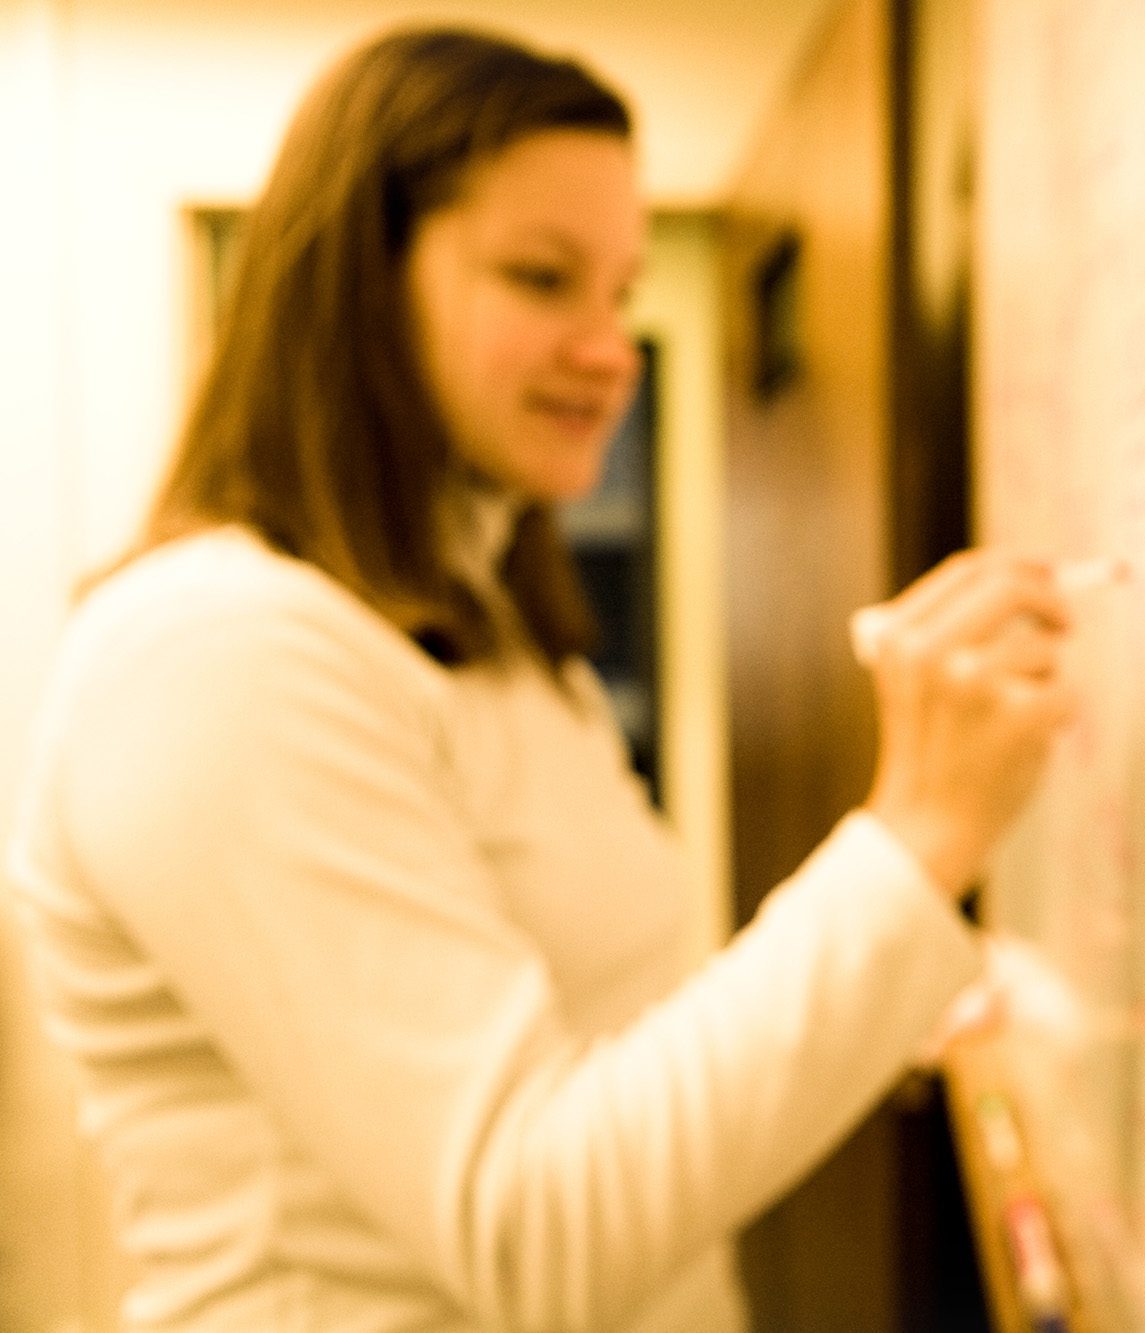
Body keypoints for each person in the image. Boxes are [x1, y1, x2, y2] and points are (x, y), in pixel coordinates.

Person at [6, 24, 1074, 1331]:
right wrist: (919, 834)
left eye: (621, 292)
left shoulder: (492, 641)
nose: (610, 348)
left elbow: (618, 1043)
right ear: (357, 286)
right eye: (541, 278)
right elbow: (536, 1235)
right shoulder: (213, 656)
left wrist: (899, 993)